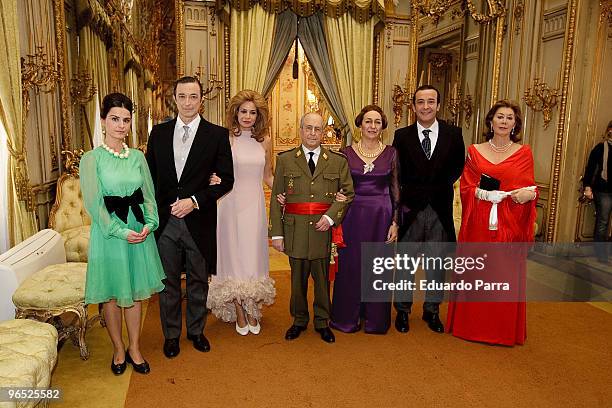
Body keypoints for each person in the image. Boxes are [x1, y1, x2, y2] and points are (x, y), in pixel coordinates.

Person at [146, 76, 234, 358]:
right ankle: (171, 335)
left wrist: (195, 201)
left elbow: (226, 180)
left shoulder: (217, 135)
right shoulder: (158, 133)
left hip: (199, 221)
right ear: (174, 98)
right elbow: (149, 177)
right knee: (168, 282)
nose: (187, 102)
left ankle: (196, 331)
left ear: (201, 100)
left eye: (193, 97)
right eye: (182, 96)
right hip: (166, 222)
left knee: (198, 279)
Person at [80, 92, 165, 375]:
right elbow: (94, 204)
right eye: (114, 119)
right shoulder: (91, 159)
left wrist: (149, 223)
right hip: (110, 235)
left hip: (139, 231)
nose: (120, 125)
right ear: (103, 121)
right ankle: (118, 348)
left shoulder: (138, 156)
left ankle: (135, 347)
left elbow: (149, 195)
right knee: (115, 294)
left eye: (126, 120)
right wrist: (120, 231)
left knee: (137, 292)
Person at [446, 99, 537, 346]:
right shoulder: (475, 151)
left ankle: (501, 330)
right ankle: (471, 327)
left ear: (515, 124)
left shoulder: (524, 152)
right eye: (500, 116)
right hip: (479, 222)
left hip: (509, 224)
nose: (504, 121)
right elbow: (466, 187)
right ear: (491, 120)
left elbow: (530, 187)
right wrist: (485, 195)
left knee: (502, 274)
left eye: (509, 118)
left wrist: (528, 195)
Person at [269, 112, 354, 343]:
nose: (313, 133)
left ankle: (321, 321)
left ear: (323, 132)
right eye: (308, 128)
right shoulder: (286, 159)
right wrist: (276, 233)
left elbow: (347, 192)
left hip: (322, 231)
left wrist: (330, 217)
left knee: (322, 279)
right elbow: (278, 198)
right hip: (295, 230)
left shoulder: (337, 161)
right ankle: (298, 320)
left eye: (317, 129)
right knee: (296, 280)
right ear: (300, 130)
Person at [392, 84, 465, 333]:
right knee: (405, 265)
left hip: (439, 210)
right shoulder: (402, 136)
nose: (425, 107)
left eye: (430, 101)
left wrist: (435, 187)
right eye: (420, 102)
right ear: (413, 106)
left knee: (436, 265)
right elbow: (397, 172)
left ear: (438, 105)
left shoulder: (454, 134)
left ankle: (431, 311)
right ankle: (402, 311)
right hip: (410, 210)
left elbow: (458, 167)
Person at [207, 90, 276, 335]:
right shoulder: (224, 138)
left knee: (253, 256)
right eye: (243, 111)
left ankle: (252, 308)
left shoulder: (265, 140)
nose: (247, 116)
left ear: (259, 115)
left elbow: (268, 175)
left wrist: (284, 194)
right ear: (235, 112)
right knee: (233, 256)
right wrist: (211, 179)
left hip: (255, 207)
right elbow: (210, 170)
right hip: (229, 205)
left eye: (252, 112)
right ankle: (239, 310)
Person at [328, 105, 400, 334]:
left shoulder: (391, 153)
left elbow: (396, 189)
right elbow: (335, 185)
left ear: (383, 127)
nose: (372, 126)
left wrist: (395, 222)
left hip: (382, 216)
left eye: (377, 122)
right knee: (350, 266)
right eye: (368, 121)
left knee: (378, 267)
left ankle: (375, 320)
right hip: (351, 216)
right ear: (360, 125)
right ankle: (346, 317)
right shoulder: (345, 152)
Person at [583, 120, 612, 263]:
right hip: (604, 189)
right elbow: (590, 169)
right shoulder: (600, 148)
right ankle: (601, 253)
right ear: (609, 131)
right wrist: (587, 187)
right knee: (603, 221)